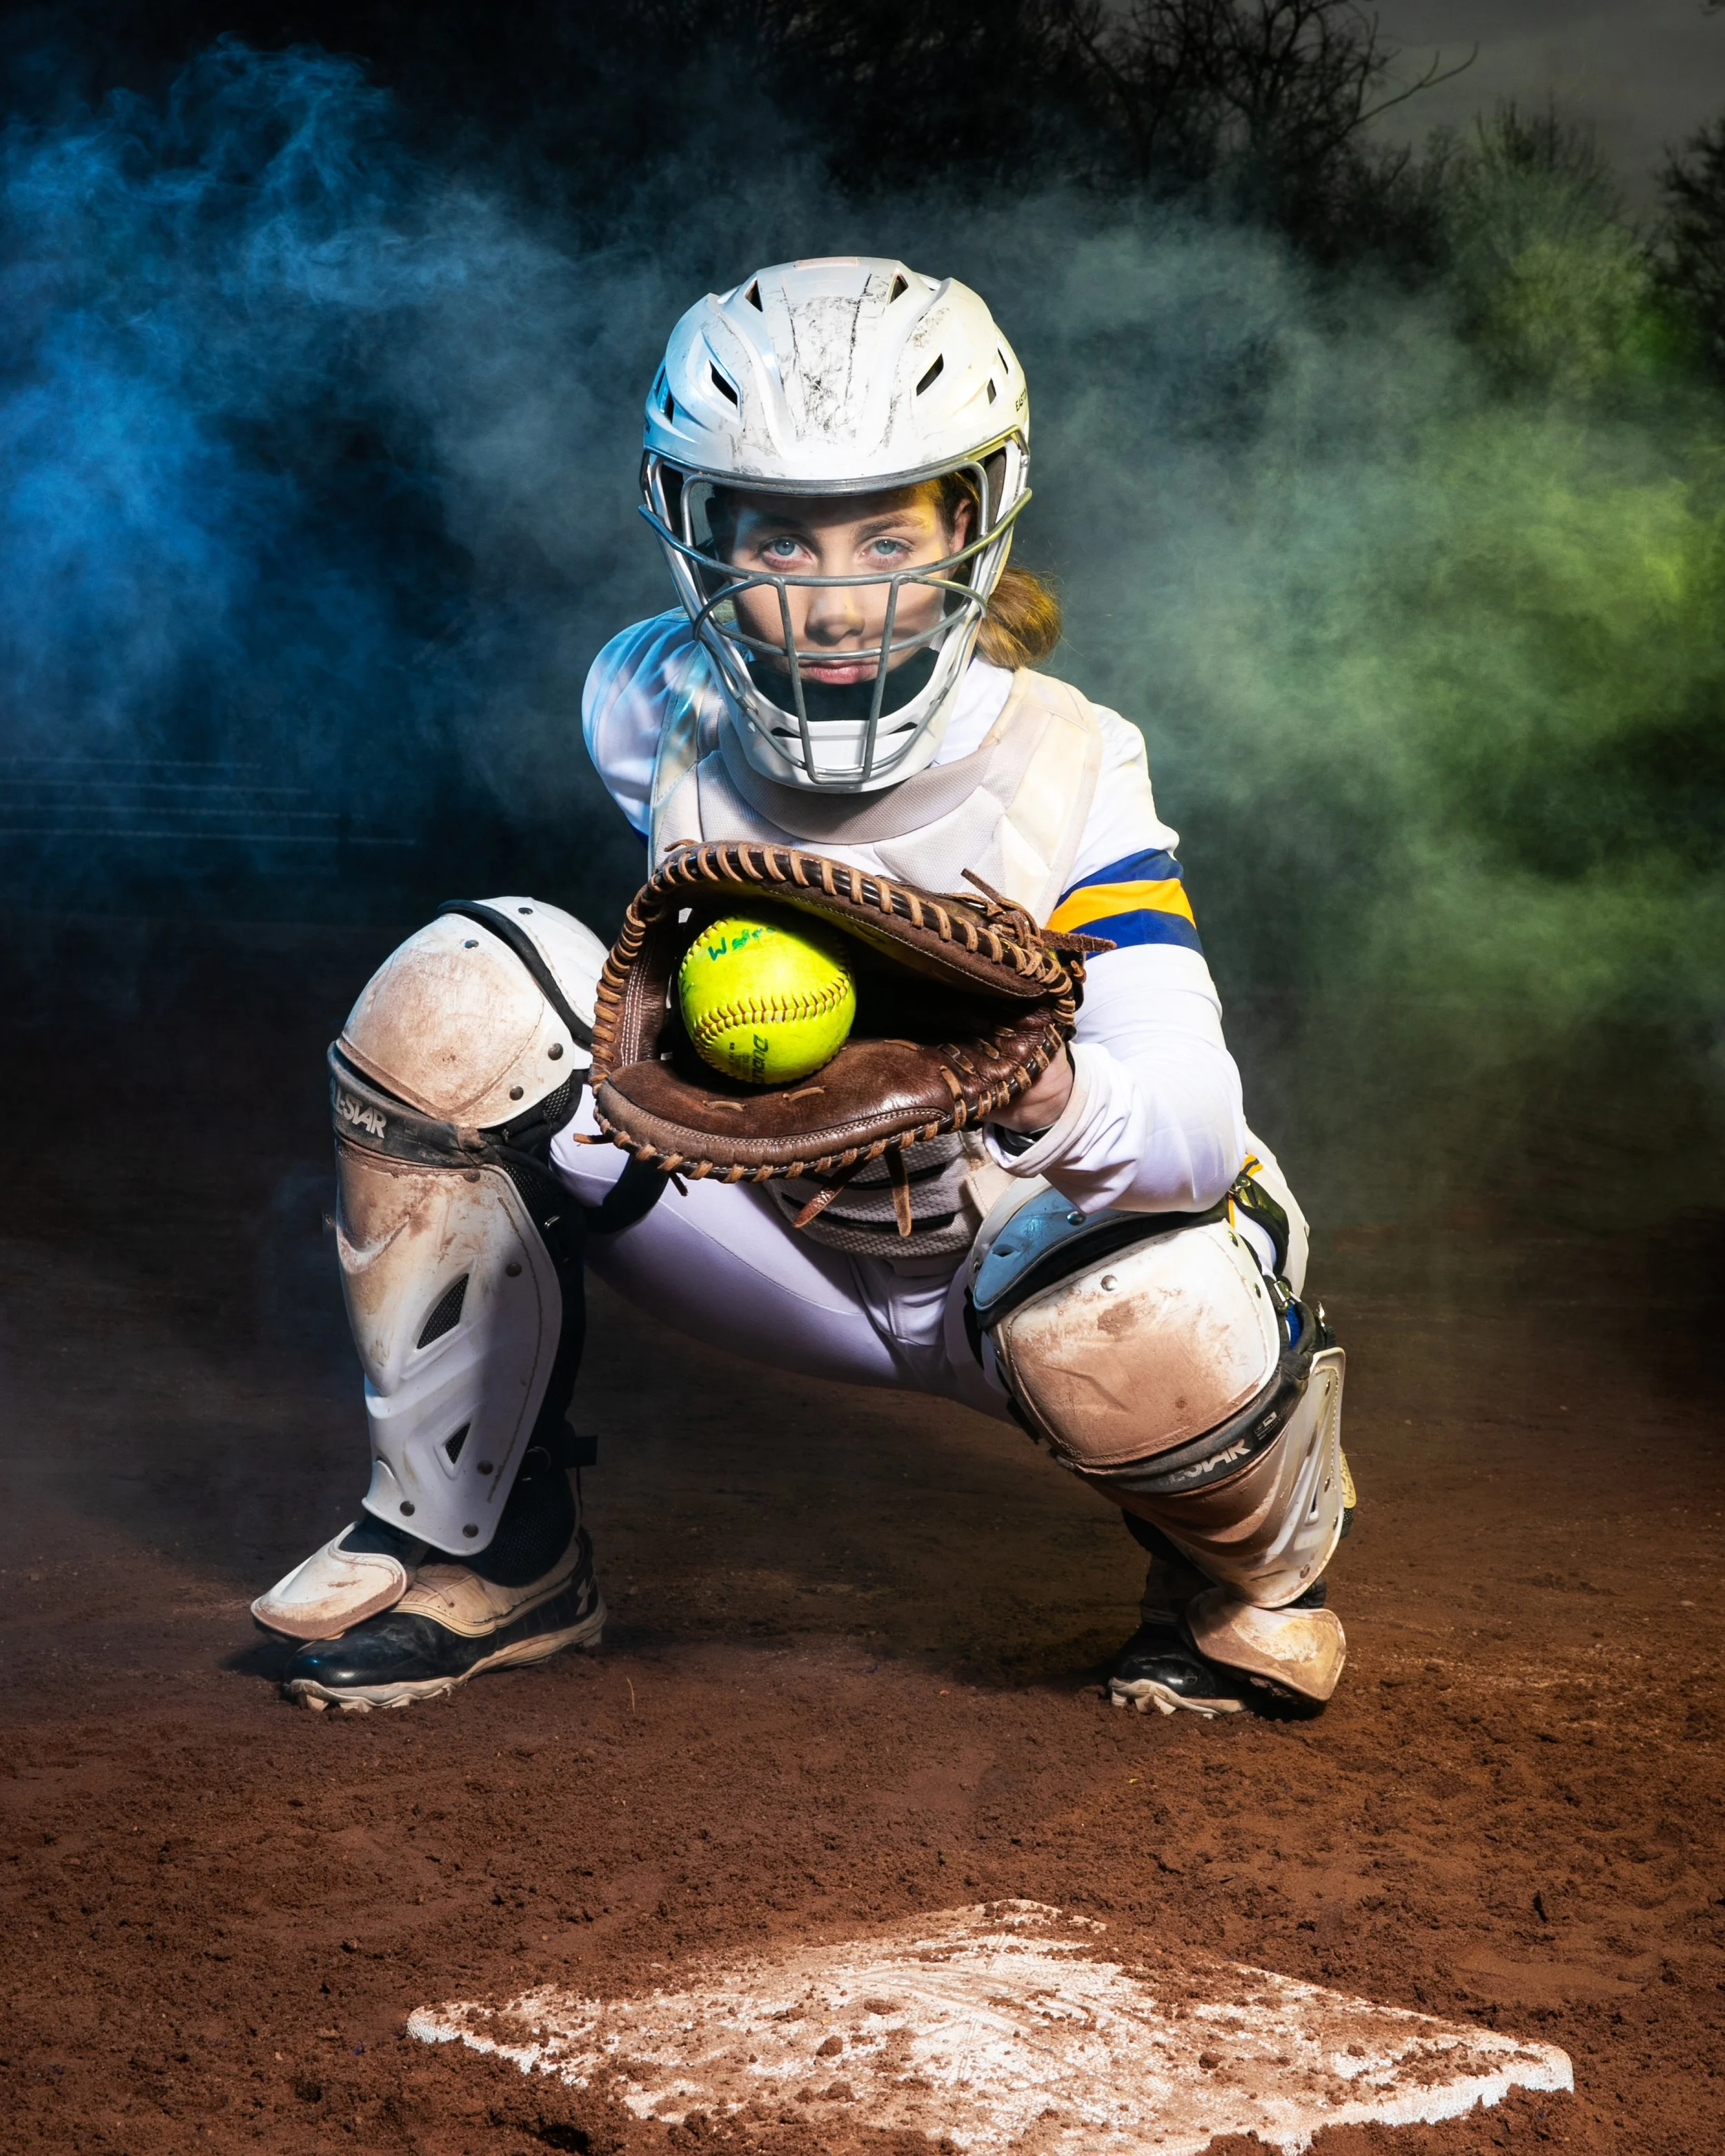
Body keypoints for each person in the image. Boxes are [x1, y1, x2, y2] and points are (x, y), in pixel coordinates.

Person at [253, 257, 1351, 1719]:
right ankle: (483, 1546)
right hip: (765, 1228)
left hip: (1005, 1265)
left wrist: (1037, 1082)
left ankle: (1242, 1575)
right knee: (457, 992)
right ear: (694, 529)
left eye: (883, 533)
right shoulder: (645, 701)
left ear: (967, 520)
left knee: (1149, 1301)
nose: (833, 598)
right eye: (777, 540)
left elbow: (1196, 1131)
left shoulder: (1071, 761)